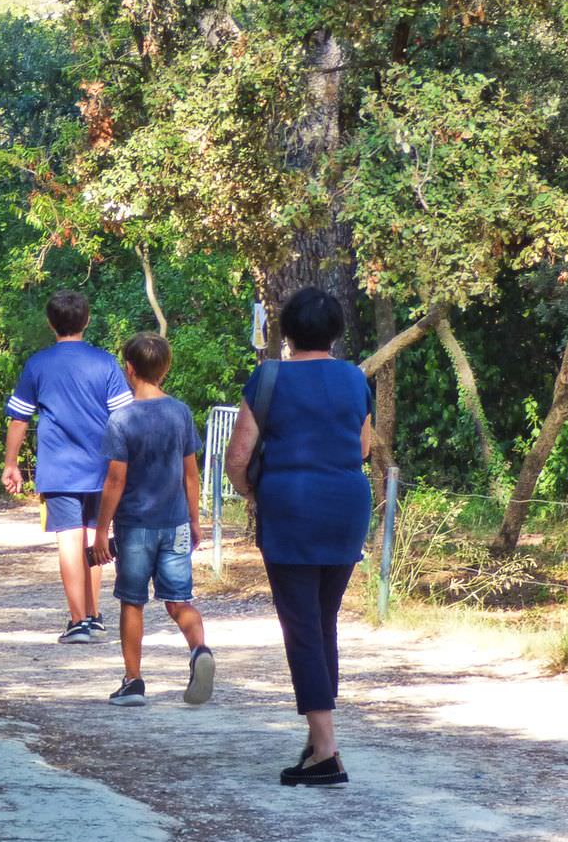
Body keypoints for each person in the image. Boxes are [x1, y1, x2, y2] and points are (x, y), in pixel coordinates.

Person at [223, 287, 372, 786]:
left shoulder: (269, 377)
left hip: (292, 507)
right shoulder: (355, 378)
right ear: (335, 331)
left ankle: (326, 751)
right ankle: (317, 739)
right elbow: (364, 447)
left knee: (302, 627)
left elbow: (238, 457)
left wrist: (254, 494)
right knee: (322, 621)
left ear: (287, 333)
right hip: (346, 506)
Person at [89, 333, 215, 707]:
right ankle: (199, 650)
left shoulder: (122, 418)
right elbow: (190, 475)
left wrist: (100, 532)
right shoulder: (180, 412)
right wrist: (194, 521)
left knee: (133, 602)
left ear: (129, 369)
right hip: (175, 522)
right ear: (166, 369)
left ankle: (133, 681)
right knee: (178, 601)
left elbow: (115, 480)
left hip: (135, 528)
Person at [3, 290, 134, 643]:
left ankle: (77, 620)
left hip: (59, 469)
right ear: (87, 320)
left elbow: (19, 418)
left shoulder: (38, 364)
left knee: (69, 542)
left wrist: (11, 463)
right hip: (103, 469)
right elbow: (125, 416)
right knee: (96, 540)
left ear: (50, 323)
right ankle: (94, 614)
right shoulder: (105, 363)